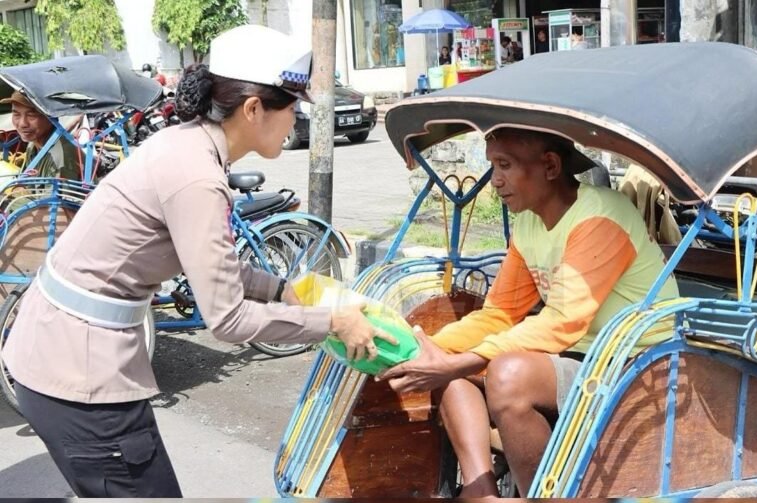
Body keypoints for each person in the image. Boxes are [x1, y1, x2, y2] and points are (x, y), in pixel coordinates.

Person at [3, 24, 395, 498]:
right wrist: (333, 322)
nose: (295, 122)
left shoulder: (186, 144)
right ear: (254, 109)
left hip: (62, 355)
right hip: (79, 376)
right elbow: (227, 318)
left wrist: (281, 289)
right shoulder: (196, 176)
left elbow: (208, 264)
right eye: (292, 109)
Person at [379, 127, 679, 497]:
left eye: (504, 166)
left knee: (507, 374)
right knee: (447, 360)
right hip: (580, 356)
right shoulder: (528, 223)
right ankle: (482, 492)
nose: (496, 182)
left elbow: (562, 323)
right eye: (492, 167)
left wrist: (463, 361)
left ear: (550, 166)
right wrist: (422, 347)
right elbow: (500, 313)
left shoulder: (600, 214)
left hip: (639, 363)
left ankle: (542, 494)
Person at [1, 90, 81, 180]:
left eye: (31, 115)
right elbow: (25, 183)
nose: (23, 123)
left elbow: (60, 193)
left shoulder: (60, 157)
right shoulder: (33, 145)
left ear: (50, 116)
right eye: (16, 114)